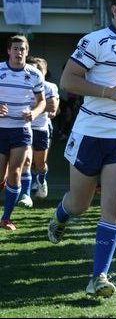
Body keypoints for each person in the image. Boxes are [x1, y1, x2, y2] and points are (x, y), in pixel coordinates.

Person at [47, 0, 116, 298]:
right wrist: (107, 92)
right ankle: (60, 215)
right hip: (90, 134)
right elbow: (68, 80)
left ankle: (99, 278)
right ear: (115, 10)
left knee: (115, 204)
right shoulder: (94, 41)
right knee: (80, 204)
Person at [0, 35, 46, 230]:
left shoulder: (35, 74)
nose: (19, 52)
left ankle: (6, 219)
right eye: (15, 48)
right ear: (9, 51)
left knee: (16, 172)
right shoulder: (0, 69)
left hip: (21, 130)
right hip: (1, 129)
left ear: (27, 52)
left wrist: (33, 113)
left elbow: (42, 101)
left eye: (22, 49)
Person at [18, 56, 59, 208]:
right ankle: (26, 194)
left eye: (38, 69)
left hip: (41, 128)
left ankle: (41, 181)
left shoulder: (49, 87)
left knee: (40, 164)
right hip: (23, 127)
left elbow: (52, 108)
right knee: (26, 162)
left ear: (44, 72)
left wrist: (33, 107)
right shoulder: (21, 84)